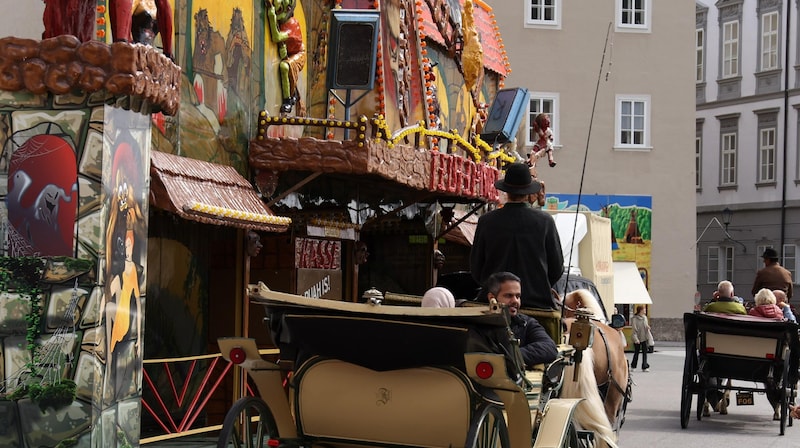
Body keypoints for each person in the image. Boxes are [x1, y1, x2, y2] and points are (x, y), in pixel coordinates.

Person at [470, 163, 564, 311]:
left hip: (492, 305)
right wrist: (537, 286)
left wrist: (494, 289)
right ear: (528, 193)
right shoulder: (545, 221)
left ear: (506, 192)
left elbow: (476, 268)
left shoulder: (486, 221)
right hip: (538, 304)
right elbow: (557, 268)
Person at [485, 272, 558, 368]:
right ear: (492, 298)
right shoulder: (478, 323)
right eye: (508, 296)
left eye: (518, 296)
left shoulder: (526, 323)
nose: (515, 301)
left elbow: (549, 348)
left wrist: (510, 357)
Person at [630, 305, 651, 372]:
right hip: (637, 338)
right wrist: (636, 339)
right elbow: (634, 329)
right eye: (644, 309)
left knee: (645, 353)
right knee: (636, 352)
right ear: (640, 310)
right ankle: (633, 366)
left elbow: (645, 326)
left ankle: (644, 366)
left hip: (644, 337)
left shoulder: (645, 318)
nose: (645, 311)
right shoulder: (634, 319)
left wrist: (647, 327)